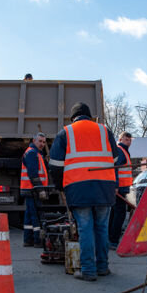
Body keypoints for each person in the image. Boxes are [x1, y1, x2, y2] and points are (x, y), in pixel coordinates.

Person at [49, 102, 121, 282]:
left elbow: (56, 166)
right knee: (102, 227)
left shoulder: (66, 132)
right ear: (89, 116)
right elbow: (116, 158)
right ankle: (102, 266)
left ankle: (88, 269)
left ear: (73, 118)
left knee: (85, 228)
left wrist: (60, 187)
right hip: (104, 187)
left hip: (79, 187)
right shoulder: (105, 131)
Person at [20, 132, 48, 247]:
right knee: (35, 215)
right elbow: (33, 174)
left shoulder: (35, 153)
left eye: (44, 142)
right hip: (32, 189)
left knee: (29, 215)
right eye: (40, 141)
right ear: (34, 141)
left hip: (30, 189)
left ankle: (28, 239)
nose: (42, 144)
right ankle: (37, 240)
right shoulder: (32, 153)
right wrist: (40, 189)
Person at [109, 132, 133, 249]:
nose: (128, 141)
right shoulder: (120, 150)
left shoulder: (124, 151)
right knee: (119, 214)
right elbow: (115, 169)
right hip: (120, 188)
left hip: (122, 188)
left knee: (115, 213)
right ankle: (113, 240)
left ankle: (110, 239)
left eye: (129, 140)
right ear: (120, 139)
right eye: (126, 139)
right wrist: (116, 186)